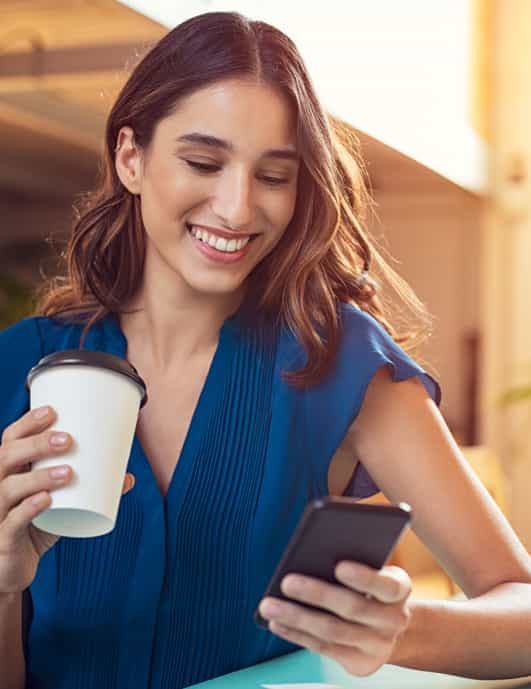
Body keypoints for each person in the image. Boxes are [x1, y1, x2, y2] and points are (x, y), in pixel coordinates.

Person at [0, 10, 530, 689]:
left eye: (274, 175)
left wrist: (403, 628)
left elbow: (519, 606)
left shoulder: (338, 364)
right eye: (202, 161)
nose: (237, 206)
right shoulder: (21, 367)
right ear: (130, 157)